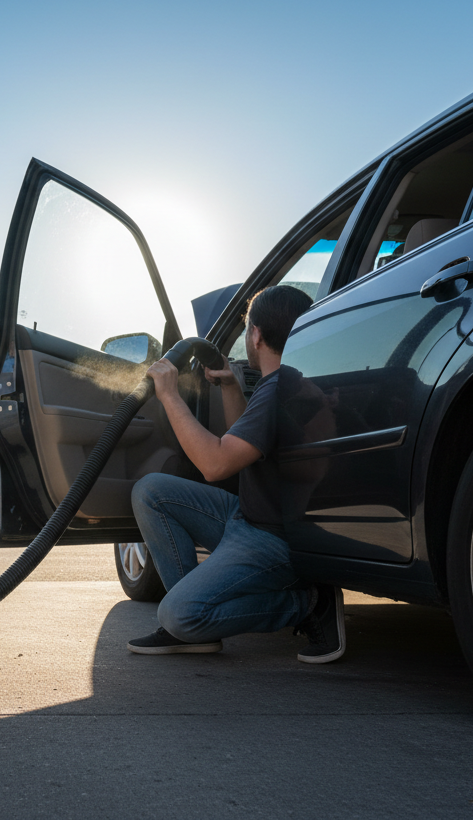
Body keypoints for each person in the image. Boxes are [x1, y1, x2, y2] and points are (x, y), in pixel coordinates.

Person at [126, 284, 345, 663]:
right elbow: (245, 440)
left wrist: (170, 395)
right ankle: (191, 623)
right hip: (247, 517)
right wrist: (230, 385)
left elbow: (216, 464)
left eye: (246, 330)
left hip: (273, 541)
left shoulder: (277, 391)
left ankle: (308, 603)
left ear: (256, 335)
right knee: (151, 491)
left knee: (178, 614)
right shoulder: (289, 383)